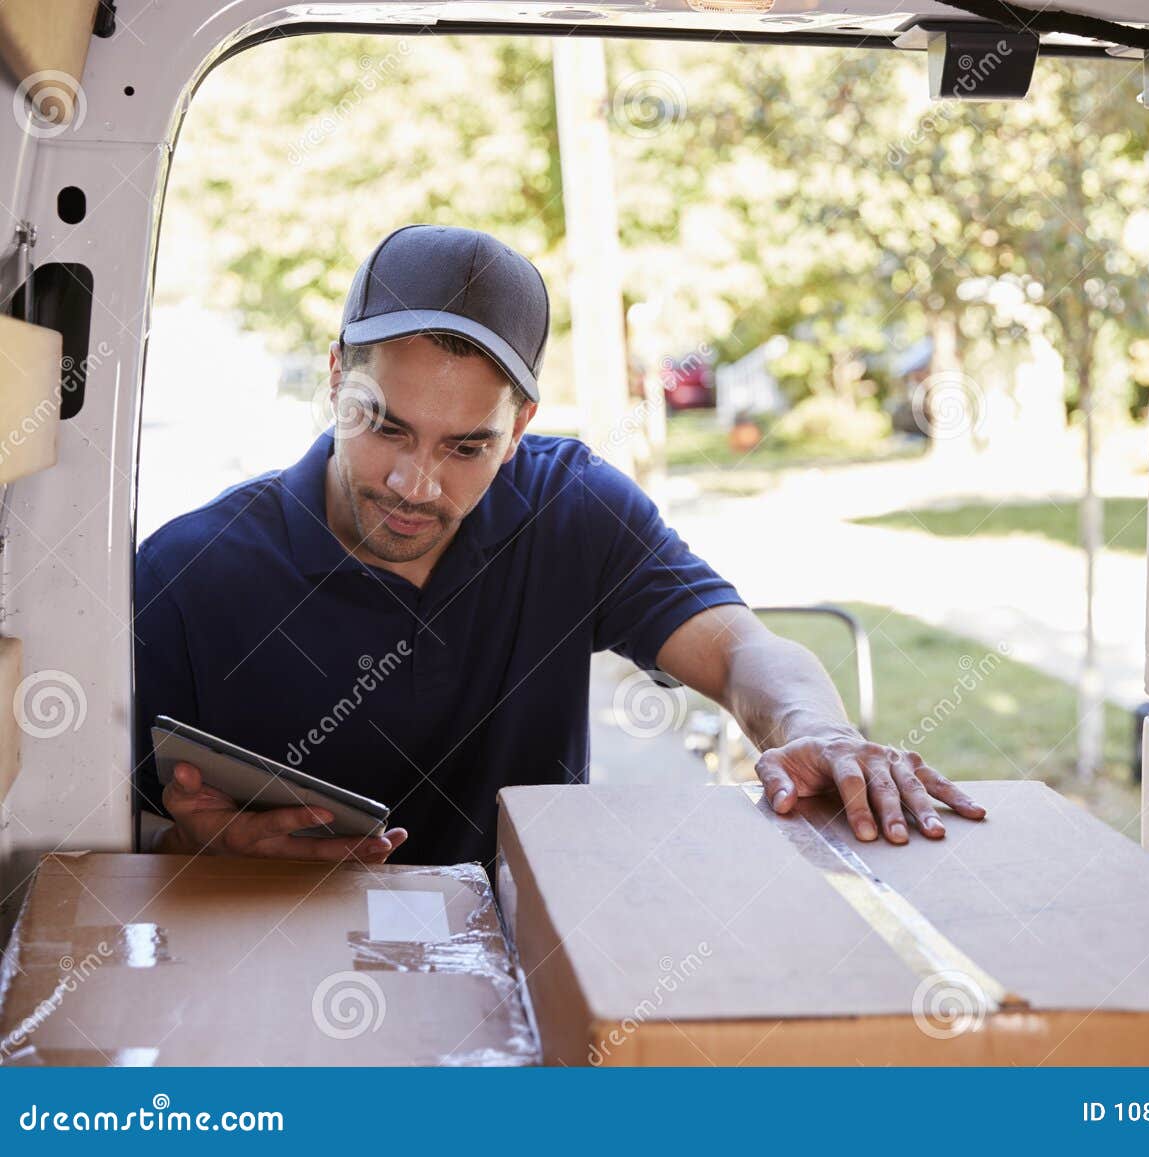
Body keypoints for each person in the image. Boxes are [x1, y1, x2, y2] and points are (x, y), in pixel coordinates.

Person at [133, 224, 984, 865]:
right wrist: (188, 851)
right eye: (384, 427)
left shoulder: (569, 506)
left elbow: (739, 650)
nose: (416, 484)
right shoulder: (184, 573)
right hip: (274, 988)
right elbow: (94, 839)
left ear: (519, 428)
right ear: (333, 378)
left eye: (466, 446)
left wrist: (818, 728)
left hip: (531, 969)